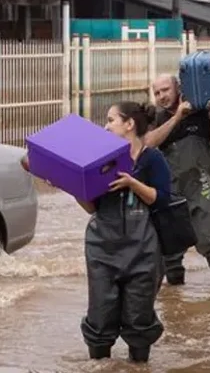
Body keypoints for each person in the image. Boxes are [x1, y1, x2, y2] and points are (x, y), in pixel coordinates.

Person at [21, 102, 171, 363]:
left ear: (129, 124)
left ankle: (139, 366)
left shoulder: (152, 159)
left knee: (139, 319)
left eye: (111, 120)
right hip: (102, 249)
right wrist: (69, 185)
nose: (105, 126)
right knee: (100, 317)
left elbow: (162, 199)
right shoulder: (98, 159)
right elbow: (93, 208)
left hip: (143, 251)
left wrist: (132, 182)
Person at [144, 73, 210, 284]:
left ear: (178, 89)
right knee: (171, 246)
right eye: (157, 93)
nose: (161, 96)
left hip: (203, 184)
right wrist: (177, 118)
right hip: (172, 186)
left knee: (206, 237)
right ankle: (175, 297)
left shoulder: (202, 113)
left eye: (165, 90)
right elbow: (148, 143)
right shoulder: (158, 118)